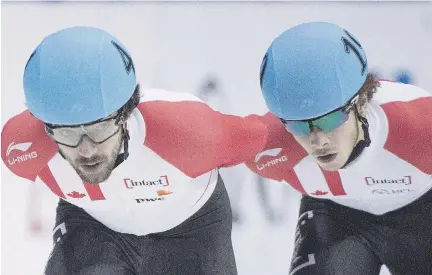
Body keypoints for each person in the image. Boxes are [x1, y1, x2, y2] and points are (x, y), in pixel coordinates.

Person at [1, 26, 269, 275]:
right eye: (67, 133)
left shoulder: (188, 134)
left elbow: (263, 135)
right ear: (46, 128)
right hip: (94, 224)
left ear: (126, 114)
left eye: (99, 129)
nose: (86, 150)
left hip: (192, 229)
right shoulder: (21, 150)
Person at [245, 21, 432, 275]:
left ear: (363, 101)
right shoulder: (265, 147)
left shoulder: (420, 125)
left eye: (329, 120)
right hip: (336, 214)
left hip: (421, 212)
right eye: (299, 126)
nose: (317, 141)